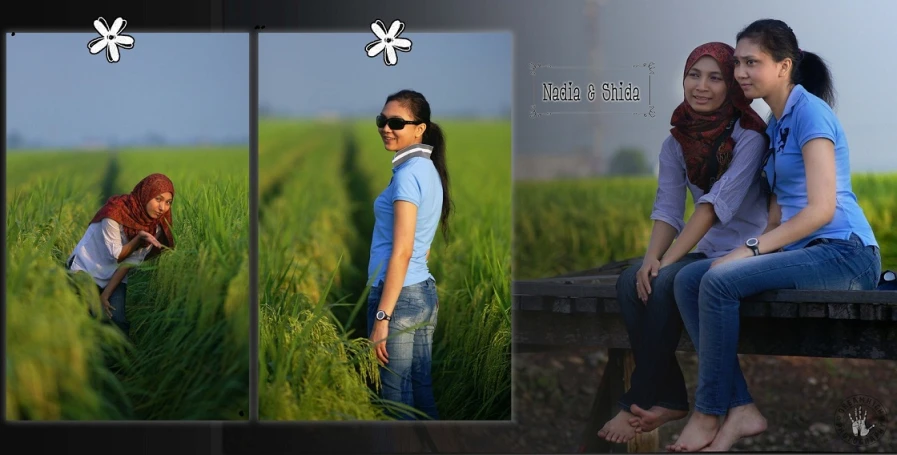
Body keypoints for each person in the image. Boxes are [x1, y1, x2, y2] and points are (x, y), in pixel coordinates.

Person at [669, 19, 881, 452]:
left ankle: (709, 411)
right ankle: (741, 408)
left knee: (719, 280)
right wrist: (750, 252)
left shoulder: (810, 115)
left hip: (846, 255)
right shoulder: (776, 122)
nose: (740, 72)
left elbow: (822, 210)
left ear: (784, 66)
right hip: (807, 253)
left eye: (752, 63)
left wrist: (748, 251)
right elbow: (777, 213)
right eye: (739, 62)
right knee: (691, 280)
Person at [597, 42, 770, 444]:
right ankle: (671, 397)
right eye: (694, 75)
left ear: (731, 85)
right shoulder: (676, 142)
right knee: (629, 281)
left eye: (715, 77)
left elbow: (713, 206)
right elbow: (668, 209)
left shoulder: (749, 137)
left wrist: (666, 262)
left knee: (668, 278)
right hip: (709, 250)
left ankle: (636, 399)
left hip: (752, 249)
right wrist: (650, 259)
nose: (701, 86)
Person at [366, 89, 452, 420]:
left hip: (399, 298)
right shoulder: (427, 169)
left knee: (394, 400)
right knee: (419, 393)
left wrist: (382, 318)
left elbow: (402, 251)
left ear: (420, 128)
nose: (387, 128)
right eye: (382, 120)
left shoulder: (407, 175)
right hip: (423, 293)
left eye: (397, 122)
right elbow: (421, 244)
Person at [68, 173, 175, 337]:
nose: (162, 208)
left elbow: (129, 262)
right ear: (145, 194)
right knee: (89, 317)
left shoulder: (155, 227)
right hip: (86, 268)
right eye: (158, 199)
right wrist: (139, 238)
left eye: (168, 202)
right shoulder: (115, 212)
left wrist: (106, 294)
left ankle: (119, 360)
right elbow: (117, 255)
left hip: (114, 276)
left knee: (118, 322)